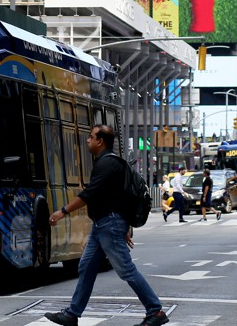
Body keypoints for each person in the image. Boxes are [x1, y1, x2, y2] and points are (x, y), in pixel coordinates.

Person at [45, 125, 169, 326]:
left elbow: (89, 194)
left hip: (108, 224)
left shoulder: (107, 164)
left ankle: (155, 311)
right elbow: (120, 197)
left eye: (91, 137)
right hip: (104, 224)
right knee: (86, 267)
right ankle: (72, 314)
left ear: (100, 141)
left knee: (126, 270)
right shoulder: (111, 163)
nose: (88, 140)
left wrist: (62, 212)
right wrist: (123, 225)